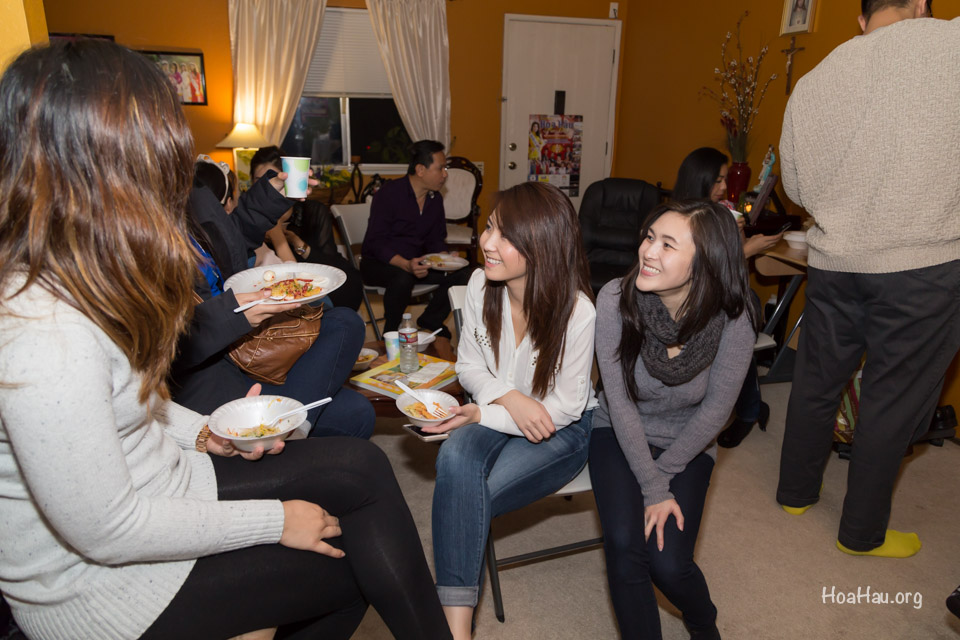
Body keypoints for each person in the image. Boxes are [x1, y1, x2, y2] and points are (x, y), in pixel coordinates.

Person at [0, 40, 451, 640]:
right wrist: (273, 521)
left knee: (362, 469)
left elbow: (125, 400)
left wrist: (205, 433)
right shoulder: (41, 331)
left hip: (164, 479)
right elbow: (107, 530)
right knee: (357, 558)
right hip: (102, 589)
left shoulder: (83, 270)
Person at [776, 0, 958, 558]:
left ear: (861, 18)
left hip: (834, 261)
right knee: (891, 398)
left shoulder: (816, 78)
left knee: (816, 381)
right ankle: (860, 535)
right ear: (923, 7)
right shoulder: (951, 44)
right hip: (922, 264)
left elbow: (796, 187)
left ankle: (795, 494)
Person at [421, 182, 597, 639]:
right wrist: (510, 400)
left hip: (563, 431)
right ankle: (458, 633)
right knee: (456, 458)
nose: (486, 242)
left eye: (504, 235)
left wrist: (484, 412)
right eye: (491, 226)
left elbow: (561, 410)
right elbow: (468, 365)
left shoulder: (578, 313)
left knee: (467, 496)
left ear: (541, 247)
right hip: (502, 411)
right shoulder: (481, 284)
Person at [588, 200, 758, 640]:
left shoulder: (734, 321)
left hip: (688, 441)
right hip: (618, 431)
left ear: (706, 263)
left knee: (667, 564)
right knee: (626, 549)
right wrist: (652, 485)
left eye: (667, 244)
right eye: (649, 238)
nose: (648, 252)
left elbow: (717, 412)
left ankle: (703, 623)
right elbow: (619, 401)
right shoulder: (614, 298)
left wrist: (660, 479)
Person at [174, 159, 376, 440]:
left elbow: (228, 238)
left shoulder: (190, 197)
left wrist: (271, 196)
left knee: (346, 332)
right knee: (352, 414)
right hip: (206, 381)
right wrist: (235, 315)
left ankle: (292, 431)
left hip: (242, 353)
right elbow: (168, 347)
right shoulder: (130, 234)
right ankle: (280, 438)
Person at [672, 147, 779, 448]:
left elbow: (737, 278)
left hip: (732, 294)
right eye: (717, 180)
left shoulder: (726, 212)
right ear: (700, 180)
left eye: (725, 180)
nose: (723, 188)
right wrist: (747, 249)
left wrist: (739, 239)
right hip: (693, 294)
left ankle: (747, 410)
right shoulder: (678, 218)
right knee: (725, 324)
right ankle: (749, 406)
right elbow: (690, 271)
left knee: (734, 321)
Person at [360, 139, 472, 336]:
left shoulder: (434, 198)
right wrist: (405, 264)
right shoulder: (389, 194)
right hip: (379, 263)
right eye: (441, 168)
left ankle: (431, 319)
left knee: (466, 272)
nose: (445, 174)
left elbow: (435, 239)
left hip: (417, 263)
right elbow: (375, 242)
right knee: (403, 278)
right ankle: (392, 334)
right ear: (421, 170)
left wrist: (446, 258)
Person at [249, 145, 363, 310]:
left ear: (285, 179)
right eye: (259, 181)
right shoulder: (251, 219)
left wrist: (298, 243)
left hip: (329, 279)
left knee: (347, 285)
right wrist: (276, 234)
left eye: (273, 178)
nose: (267, 187)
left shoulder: (313, 211)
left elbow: (330, 263)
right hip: (288, 294)